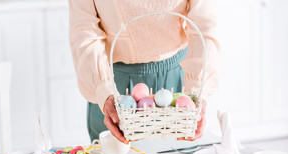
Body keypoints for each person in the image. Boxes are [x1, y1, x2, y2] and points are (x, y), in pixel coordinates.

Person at [68, 0, 219, 144]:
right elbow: (84, 31)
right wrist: (103, 91)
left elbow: (204, 24)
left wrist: (197, 87)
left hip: (178, 83)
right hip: (113, 86)